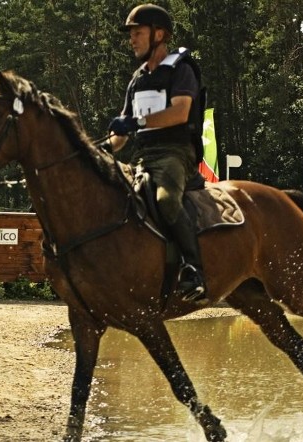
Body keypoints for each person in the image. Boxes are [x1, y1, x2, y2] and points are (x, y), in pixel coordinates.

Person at [106, 3, 206, 302]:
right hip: (142, 157)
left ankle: (194, 269)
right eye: (131, 34)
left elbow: (179, 112)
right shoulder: (137, 80)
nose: (132, 39)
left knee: (165, 199)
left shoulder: (181, 69)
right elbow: (120, 136)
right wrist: (100, 148)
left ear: (159, 34)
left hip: (176, 153)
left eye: (138, 33)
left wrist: (136, 122)